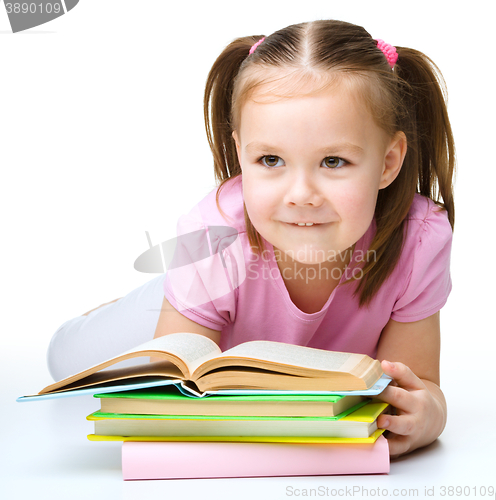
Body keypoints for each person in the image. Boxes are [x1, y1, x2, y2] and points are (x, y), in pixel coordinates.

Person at [47, 20, 455, 458]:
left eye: (334, 161)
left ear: (389, 162)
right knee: (67, 360)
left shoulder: (419, 239)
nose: (301, 195)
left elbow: (417, 386)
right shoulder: (212, 234)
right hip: (196, 295)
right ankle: (158, 293)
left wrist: (427, 414)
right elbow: (169, 396)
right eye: (271, 159)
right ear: (242, 153)